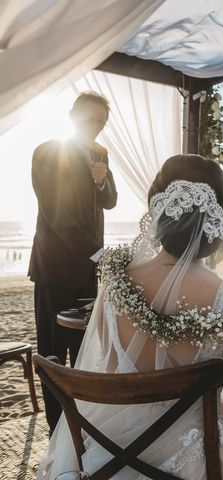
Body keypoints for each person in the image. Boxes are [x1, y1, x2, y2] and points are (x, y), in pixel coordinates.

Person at [38, 155, 223, 479]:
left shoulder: (115, 283)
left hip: (112, 453)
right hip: (202, 460)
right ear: (215, 216)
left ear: (157, 206)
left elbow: (112, 371)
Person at [29, 91, 117, 433]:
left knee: (83, 356)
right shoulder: (47, 152)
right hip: (54, 271)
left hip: (87, 273)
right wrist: (99, 254)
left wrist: (102, 180)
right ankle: (56, 433)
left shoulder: (101, 154)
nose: (94, 126)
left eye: (100, 121)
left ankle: (79, 430)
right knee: (53, 357)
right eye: (88, 118)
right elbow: (58, 215)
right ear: (71, 115)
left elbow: (109, 201)